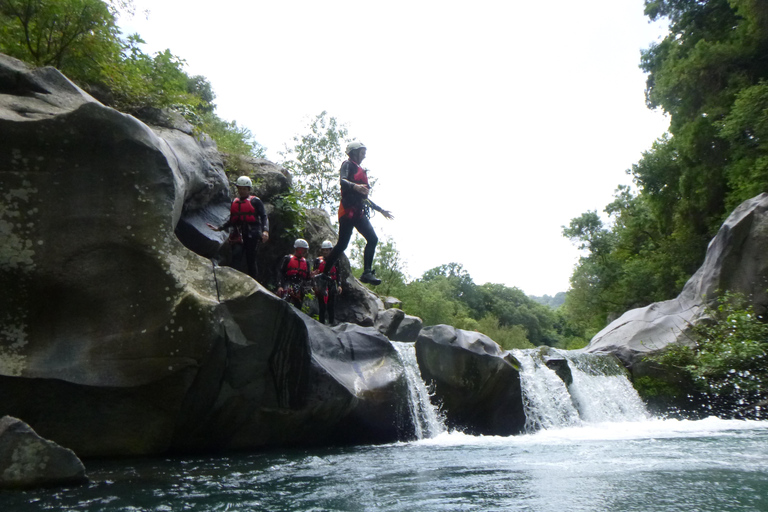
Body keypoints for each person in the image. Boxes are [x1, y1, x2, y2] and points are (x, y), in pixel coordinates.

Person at [323, 141, 393, 285]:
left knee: (373, 239)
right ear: (354, 152)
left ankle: (367, 272)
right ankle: (324, 272)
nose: (364, 156)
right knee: (342, 245)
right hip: (347, 212)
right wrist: (356, 186)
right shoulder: (347, 165)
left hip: (358, 213)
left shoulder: (360, 170)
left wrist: (381, 210)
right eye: (362, 153)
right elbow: (342, 181)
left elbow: (364, 199)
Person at [208, 176, 269, 281]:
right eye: (240, 188)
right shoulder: (235, 202)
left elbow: (264, 216)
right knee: (236, 256)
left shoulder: (255, 201)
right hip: (239, 233)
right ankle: (232, 280)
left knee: (251, 259)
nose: (241, 191)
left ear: (249, 189)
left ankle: (253, 283)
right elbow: (232, 220)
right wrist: (220, 228)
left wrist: (265, 231)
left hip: (253, 234)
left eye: (244, 189)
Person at [313, 240, 342, 325]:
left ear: (331, 250)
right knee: (321, 305)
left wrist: (339, 285)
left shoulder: (336, 260)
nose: (325, 252)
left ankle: (331, 323)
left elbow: (338, 273)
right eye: (324, 250)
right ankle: (321, 323)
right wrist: (315, 286)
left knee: (331, 305)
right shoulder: (318, 260)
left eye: (327, 250)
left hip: (332, 283)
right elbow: (314, 274)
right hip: (321, 284)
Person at [278, 238, 311, 308]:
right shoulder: (287, 258)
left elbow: (307, 278)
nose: (305, 251)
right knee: (284, 303)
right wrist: (280, 286)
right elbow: (281, 272)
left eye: (306, 250)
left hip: (300, 287)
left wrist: (311, 276)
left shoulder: (306, 262)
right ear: (298, 249)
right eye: (304, 249)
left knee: (298, 306)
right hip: (288, 284)